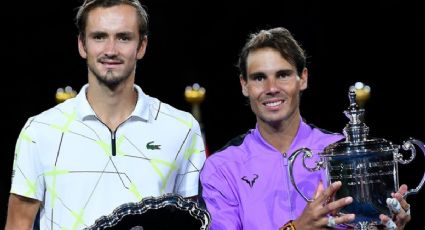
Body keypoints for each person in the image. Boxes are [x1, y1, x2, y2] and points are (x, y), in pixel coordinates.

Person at [5, 0, 206, 229]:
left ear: (141, 46)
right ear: (82, 45)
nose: (111, 50)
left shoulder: (182, 128)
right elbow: (18, 223)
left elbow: (192, 222)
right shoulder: (40, 131)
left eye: (123, 37)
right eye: (99, 36)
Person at [200, 27, 411, 229]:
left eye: (283, 75)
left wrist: (385, 223)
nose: (271, 88)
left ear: (303, 78)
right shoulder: (222, 168)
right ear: (244, 85)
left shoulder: (341, 151)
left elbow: (364, 223)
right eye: (259, 78)